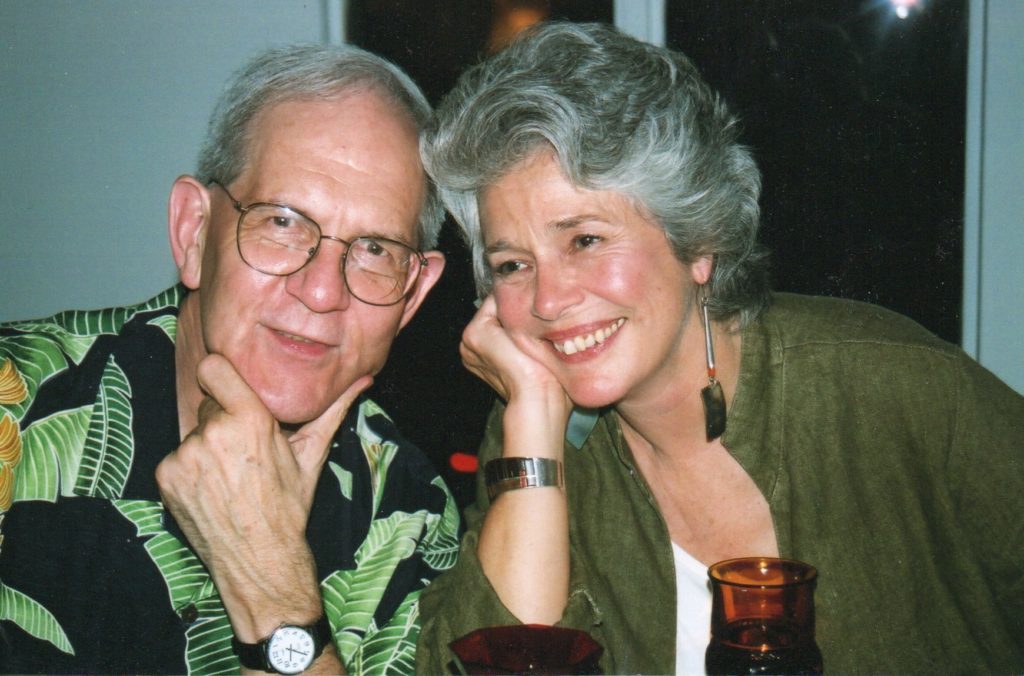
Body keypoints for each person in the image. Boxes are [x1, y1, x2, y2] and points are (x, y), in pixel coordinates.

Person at [415, 21, 1024, 674]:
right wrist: (533, 418)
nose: (547, 300)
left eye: (585, 240)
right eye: (512, 264)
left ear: (697, 242)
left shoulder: (898, 389)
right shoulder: (534, 440)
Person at [0, 43, 460, 674]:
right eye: (282, 222)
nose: (323, 291)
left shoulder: (409, 518)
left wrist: (274, 597)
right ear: (194, 232)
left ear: (412, 295)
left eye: (376, 249)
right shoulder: (16, 411)